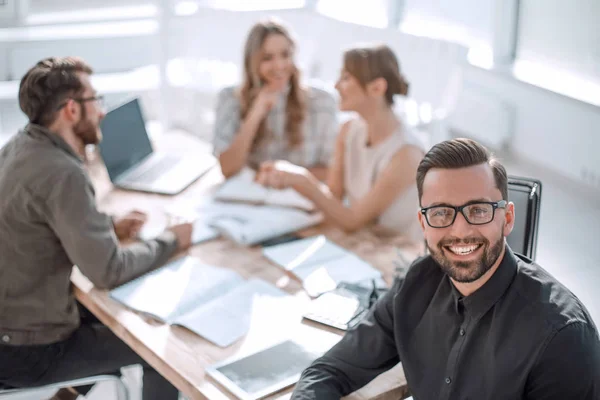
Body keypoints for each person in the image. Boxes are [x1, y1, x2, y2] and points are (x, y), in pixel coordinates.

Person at [291, 138, 600, 400]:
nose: (460, 230)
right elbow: (329, 370)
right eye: (441, 213)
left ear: (506, 219)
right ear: (424, 223)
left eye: (478, 210)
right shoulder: (417, 282)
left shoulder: (563, 337)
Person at [0, 57, 193, 400]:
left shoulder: (19, 147)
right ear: (72, 110)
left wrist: (106, 227)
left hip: (12, 331)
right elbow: (109, 270)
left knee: (121, 319)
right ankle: (64, 389)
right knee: (162, 352)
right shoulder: (63, 172)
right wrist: (171, 240)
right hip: (30, 352)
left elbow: (41, 221)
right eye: (95, 100)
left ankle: (65, 395)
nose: (102, 112)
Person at [256, 44, 425, 238]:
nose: (336, 86)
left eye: (345, 78)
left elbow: (353, 220)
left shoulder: (407, 155)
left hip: (394, 253)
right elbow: (333, 197)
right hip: (362, 241)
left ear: (377, 87)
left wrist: (300, 178)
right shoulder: (348, 130)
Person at [213, 19, 337, 180]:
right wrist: (255, 113)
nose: (279, 66)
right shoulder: (230, 98)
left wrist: (282, 177)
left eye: (285, 55)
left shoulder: (322, 101)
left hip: (301, 198)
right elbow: (227, 168)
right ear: (252, 62)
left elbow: (332, 170)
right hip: (249, 197)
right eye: (267, 58)